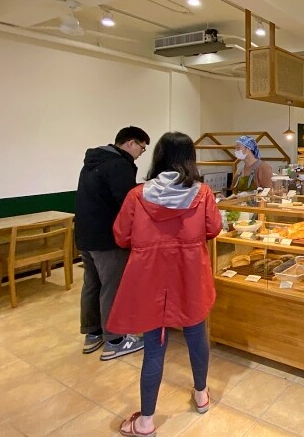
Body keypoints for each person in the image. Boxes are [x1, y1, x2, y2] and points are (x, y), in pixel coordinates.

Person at [107, 132, 222, 437]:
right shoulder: (203, 193)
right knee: (196, 333)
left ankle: (146, 421)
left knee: (154, 347)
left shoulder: (137, 195)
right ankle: (201, 395)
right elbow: (214, 228)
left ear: (158, 156)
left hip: (151, 277)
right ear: (190, 158)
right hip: (190, 274)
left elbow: (121, 235)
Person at [75, 126, 150, 361]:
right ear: (130, 143)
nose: (140, 153)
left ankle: (93, 333)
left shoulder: (93, 161)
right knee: (112, 286)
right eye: (142, 148)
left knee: (92, 284)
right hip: (108, 238)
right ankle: (115, 340)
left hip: (85, 235)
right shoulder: (119, 165)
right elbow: (127, 204)